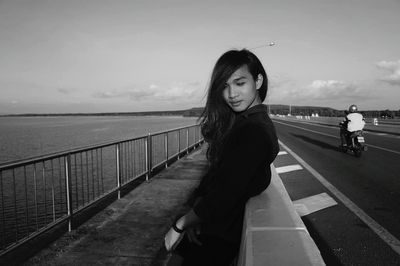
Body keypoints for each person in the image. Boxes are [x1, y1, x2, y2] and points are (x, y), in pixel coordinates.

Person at [164, 49, 279, 266]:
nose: (232, 94)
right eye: (225, 86)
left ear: (258, 80)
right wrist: (197, 211)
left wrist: (181, 223)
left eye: (239, 83)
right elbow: (217, 178)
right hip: (212, 229)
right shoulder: (246, 123)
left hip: (218, 237)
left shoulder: (254, 131)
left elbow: (227, 191)